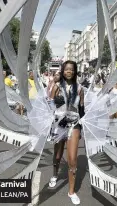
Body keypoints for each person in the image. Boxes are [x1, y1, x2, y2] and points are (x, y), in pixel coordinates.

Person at [48, 61, 84, 205]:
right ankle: (55, 174)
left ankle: (71, 191)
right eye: (66, 69)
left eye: (71, 69)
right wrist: (52, 124)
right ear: (63, 71)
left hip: (73, 124)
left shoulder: (80, 89)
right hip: (59, 124)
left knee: (72, 159)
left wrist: (80, 128)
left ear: (75, 72)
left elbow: (82, 109)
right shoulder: (56, 87)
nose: (68, 71)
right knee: (57, 155)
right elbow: (49, 106)